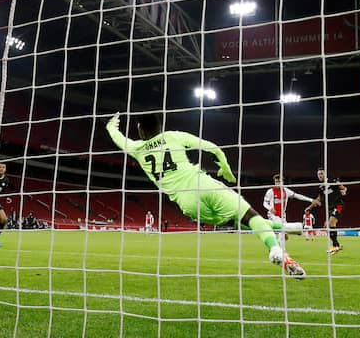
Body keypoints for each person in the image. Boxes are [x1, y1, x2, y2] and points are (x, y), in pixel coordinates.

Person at [106, 112, 306, 278]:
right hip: (202, 184)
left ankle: (287, 237)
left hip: (186, 202)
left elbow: (118, 139)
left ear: (140, 130)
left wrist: (111, 126)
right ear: (159, 126)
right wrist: (225, 168)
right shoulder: (173, 135)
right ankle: (275, 245)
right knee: (250, 216)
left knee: (241, 222)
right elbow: (211, 147)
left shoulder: (136, 149)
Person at [263, 174, 318, 241]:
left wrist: (311, 200)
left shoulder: (286, 191)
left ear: (282, 182)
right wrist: (270, 208)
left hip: (283, 215)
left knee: (283, 235)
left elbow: (297, 196)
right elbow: (265, 203)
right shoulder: (270, 191)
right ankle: (280, 247)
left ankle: (279, 248)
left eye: (279, 181)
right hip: (273, 215)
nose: (277, 183)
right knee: (282, 230)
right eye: (276, 181)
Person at [306, 168, 346, 255]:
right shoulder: (321, 187)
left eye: (321, 173)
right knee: (326, 226)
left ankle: (335, 246)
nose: (320, 176)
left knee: (331, 224)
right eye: (318, 174)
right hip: (331, 208)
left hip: (339, 205)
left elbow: (342, 187)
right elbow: (319, 199)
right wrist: (310, 207)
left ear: (325, 174)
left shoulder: (332, 181)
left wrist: (344, 190)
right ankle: (337, 245)